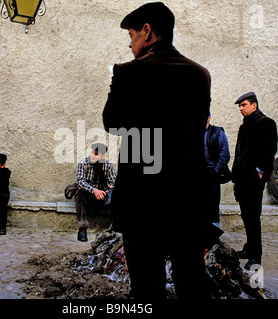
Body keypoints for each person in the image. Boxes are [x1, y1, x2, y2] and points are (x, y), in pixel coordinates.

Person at [103, 2, 213, 299]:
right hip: (187, 196)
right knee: (190, 274)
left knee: (147, 282)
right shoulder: (200, 75)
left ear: (147, 31)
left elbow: (112, 124)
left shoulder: (128, 72)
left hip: (143, 197)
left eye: (132, 34)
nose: (129, 43)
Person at [231, 92, 278, 270]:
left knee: (253, 217)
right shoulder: (245, 125)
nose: (241, 109)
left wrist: (260, 172)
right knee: (246, 215)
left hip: (253, 179)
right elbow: (239, 153)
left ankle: (256, 256)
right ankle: (248, 248)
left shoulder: (266, 123)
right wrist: (235, 177)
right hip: (242, 179)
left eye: (243, 105)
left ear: (254, 105)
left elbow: (270, 150)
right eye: (240, 106)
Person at [75, 143, 116, 242]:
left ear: (103, 156)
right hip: (88, 198)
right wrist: (94, 191)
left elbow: (113, 181)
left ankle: (114, 229)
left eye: (96, 154)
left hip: (102, 198)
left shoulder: (108, 165)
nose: (93, 156)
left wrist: (109, 189)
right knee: (80, 193)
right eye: (92, 153)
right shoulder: (83, 163)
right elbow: (80, 182)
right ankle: (82, 229)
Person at [205, 113, 230, 227]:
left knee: (212, 205)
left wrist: (215, 172)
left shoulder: (217, 132)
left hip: (211, 172)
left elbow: (225, 155)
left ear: (208, 118)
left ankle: (213, 237)